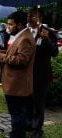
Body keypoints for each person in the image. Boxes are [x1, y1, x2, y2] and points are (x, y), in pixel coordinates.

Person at [0, 11, 36, 138]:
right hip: (14, 83)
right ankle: (15, 133)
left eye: (10, 24)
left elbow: (21, 60)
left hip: (18, 85)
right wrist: (0, 51)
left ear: (19, 24)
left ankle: (17, 135)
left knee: (18, 114)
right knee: (15, 112)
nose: (8, 27)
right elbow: (13, 53)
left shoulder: (25, 38)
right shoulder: (21, 35)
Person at [27, 7, 59, 138]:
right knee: (28, 100)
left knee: (39, 102)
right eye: (28, 16)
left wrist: (47, 39)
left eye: (31, 16)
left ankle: (37, 129)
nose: (28, 18)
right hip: (28, 73)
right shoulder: (26, 32)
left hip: (41, 74)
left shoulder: (48, 32)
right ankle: (28, 124)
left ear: (39, 18)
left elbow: (55, 52)